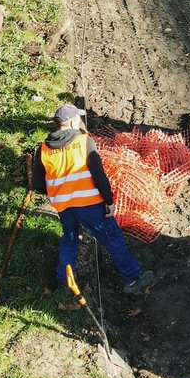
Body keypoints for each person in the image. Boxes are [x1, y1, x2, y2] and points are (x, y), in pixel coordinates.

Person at [32, 103, 154, 294]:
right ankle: (133, 277)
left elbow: (38, 184)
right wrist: (109, 200)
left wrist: (60, 191)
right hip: (90, 205)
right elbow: (98, 174)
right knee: (113, 238)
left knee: (69, 240)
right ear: (72, 122)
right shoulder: (83, 141)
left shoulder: (43, 149)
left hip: (64, 207)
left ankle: (64, 282)